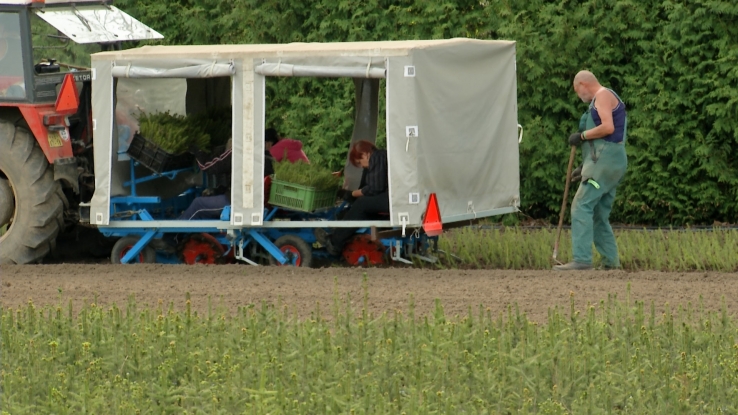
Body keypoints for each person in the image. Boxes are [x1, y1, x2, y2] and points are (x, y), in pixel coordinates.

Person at [554, 70, 628, 271]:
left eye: (578, 91)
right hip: (610, 163)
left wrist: (582, 136)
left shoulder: (602, 96)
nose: (579, 97)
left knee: (581, 205)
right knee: (598, 214)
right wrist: (583, 167)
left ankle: (582, 260)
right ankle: (611, 263)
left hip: (605, 162)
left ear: (583, 84)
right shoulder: (606, 97)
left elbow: (607, 128)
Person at [315, 140, 388, 256]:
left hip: (390, 199)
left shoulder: (376, 157)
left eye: (360, 162)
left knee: (362, 204)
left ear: (364, 153)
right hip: (390, 197)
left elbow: (374, 188)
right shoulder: (378, 158)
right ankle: (343, 238)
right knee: (361, 206)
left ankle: (335, 243)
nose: (362, 165)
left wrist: (352, 194)